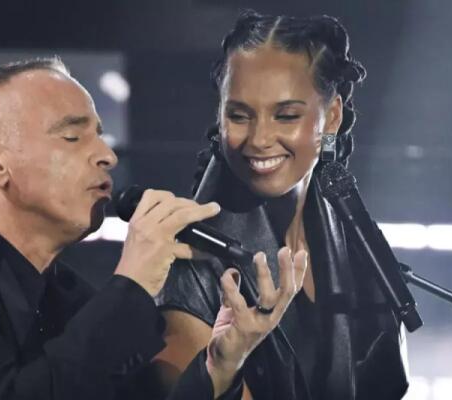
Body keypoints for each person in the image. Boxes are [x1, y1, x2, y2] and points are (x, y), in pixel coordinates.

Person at [0, 58, 307, 400]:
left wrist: (221, 365)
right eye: (72, 137)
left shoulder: (71, 296)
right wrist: (134, 281)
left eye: (100, 136)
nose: (107, 156)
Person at [154, 11, 410, 400]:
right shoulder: (192, 259)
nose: (259, 139)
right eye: (239, 115)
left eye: (286, 115)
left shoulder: (353, 240)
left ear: (332, 118)